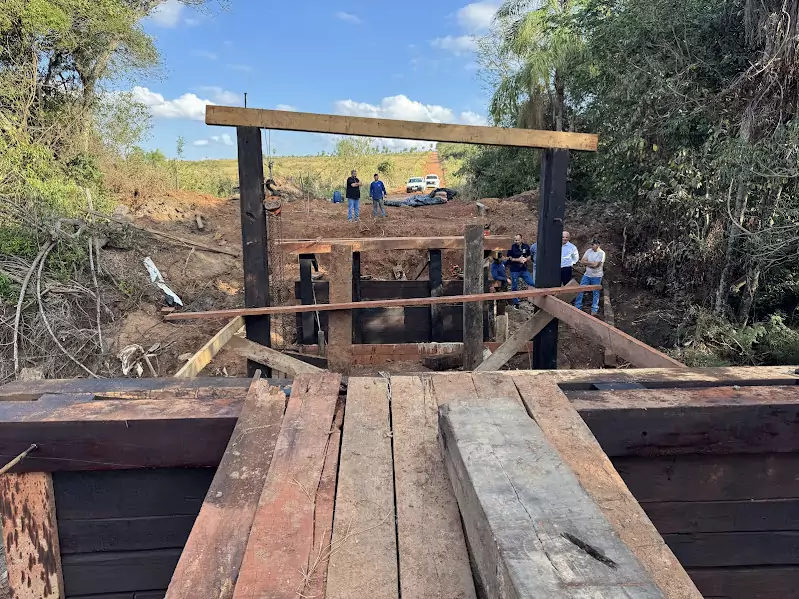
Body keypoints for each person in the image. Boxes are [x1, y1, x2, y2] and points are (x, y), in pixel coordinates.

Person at [575, 239, 606, 316]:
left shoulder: (601, 253)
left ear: (598, 245)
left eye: (593, 244)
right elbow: (582, 261)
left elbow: (596, 265)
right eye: (591, 244)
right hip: (587, 274)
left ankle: (594, 309)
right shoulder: (589, 251)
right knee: (580, 289)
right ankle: (577, 306)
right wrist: (591, 263)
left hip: (597, 276)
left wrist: (588, 263)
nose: (591, 246)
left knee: (595, 292)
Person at [507, 234, 535, 308]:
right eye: (515, 240)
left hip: (523, 269)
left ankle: (534, 299)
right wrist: (517, 260)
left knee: (532, 283)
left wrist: (526, 259)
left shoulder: (526, 246)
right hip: (514, 269)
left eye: (518, 240)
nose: (517, 241)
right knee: (514, 286)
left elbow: (529, 255)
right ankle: (516, 303)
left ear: (521, 239)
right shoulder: (512, 247)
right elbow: (509, 258)